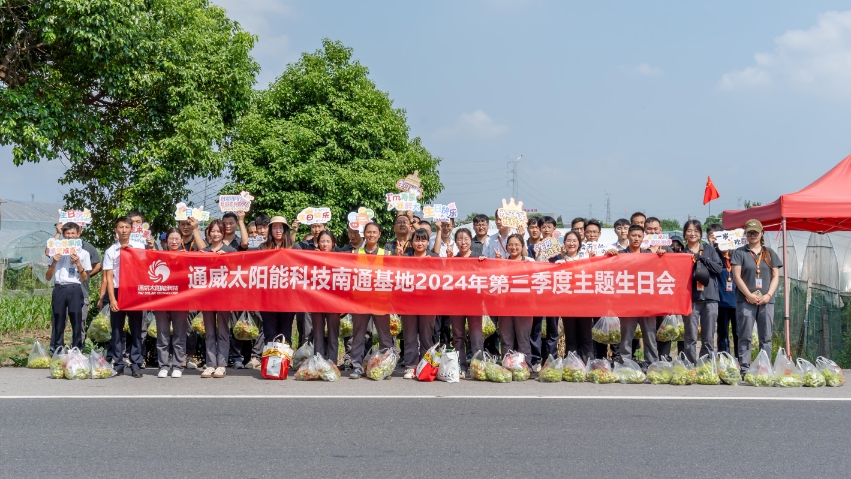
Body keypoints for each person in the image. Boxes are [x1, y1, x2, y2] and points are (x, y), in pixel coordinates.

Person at [732, 219, 782, 375]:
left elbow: (776, 276)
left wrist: (768, 295)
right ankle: (745, 368)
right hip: (745, 300)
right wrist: (749, 295)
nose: (752, 235)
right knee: (745, 335)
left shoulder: (769, 253)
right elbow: (737, 277)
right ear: (745, 234)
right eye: (749, 232)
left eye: (755, 232)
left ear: (762, 233)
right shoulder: (739, 252)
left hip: (767, 301)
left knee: (765, 336)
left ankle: (764, 367)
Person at [101, 216, 146, 377]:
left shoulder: (139, 247)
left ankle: (136, 363)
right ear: (116, 230)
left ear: (132, 229)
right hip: (118, 291)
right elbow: (108, 277)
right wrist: (112, 299)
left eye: (127, 227)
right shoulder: (111, 251)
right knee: (117, 331)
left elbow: (144, 269)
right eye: (121, 227)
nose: (124, 230)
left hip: (134, 290)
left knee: (136, 329)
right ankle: (118, 363)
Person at [349, 222, 395, 379]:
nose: (371, 235)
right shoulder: (355, 253)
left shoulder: (386, 254)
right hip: (360, 302)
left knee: (385, 336)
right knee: (358, 335)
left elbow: (396, 274)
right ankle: (356, 366)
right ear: (364, 233)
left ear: (379, 234)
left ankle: (386, 366)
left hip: (380, 302)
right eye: (368, 232)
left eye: (374, 232)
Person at [617, 225, 660, 368]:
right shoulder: (620, 254)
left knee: (650, 335)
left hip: (647, 302)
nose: (636, 238)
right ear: (628, 236)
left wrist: (662, 256)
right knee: (626, 337)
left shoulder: (650, 255)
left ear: (643, 238)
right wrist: (609, 255)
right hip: (627, 302)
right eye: (633, 235)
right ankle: (625, 366)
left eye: (639, 236)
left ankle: (652, 365)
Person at [200, 220, 238, 379]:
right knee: (209, 332)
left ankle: (221, 364)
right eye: (212, 231)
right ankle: (210, 364)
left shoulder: (230, 250)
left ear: (223, 233)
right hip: (207, 297)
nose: (215, 234)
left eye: (218, 231)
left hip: (224, 297)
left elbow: (238, 270)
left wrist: (227, 259)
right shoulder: (203, 251)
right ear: (208, 233)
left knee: (223, 331)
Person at [400, 228, 440, 379]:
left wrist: (449, 258)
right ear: (412, 242)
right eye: (417, 239)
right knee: (409, 335)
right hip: (408, 303)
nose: (420, 243)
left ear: (428, 242)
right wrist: (398, 257)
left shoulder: (434, 258)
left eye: (423, 240)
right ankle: (411, 366)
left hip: (428, 304)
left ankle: (425, 365)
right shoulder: (405, 257)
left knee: (426, 336)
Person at [46, 222, 92, 352]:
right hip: (59, 288)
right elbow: (48, 276)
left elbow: (84, 278)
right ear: (64, 235)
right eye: (67, 233)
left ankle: (77, 349)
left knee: (77, 320)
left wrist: (78, 263)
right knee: (58, 319)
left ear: (78, 234)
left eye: (73, 233)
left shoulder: (83, 254)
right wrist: (54, 262)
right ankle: (57, 349)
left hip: (75, 288)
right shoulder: (56, 252)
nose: (70, 236)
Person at [256, 216, 301, 350]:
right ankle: (270, 364)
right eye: (274, 227)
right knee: (269, 331)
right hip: (267, 297)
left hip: (288, 297)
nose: (278, 230)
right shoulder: (263, 247)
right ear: (270, 230)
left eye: (280, 227)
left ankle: (283, 364)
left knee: (285, 331)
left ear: (286, 229)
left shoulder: (294, 247)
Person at [681, 219, 723, 363]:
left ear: (700, 234)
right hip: (691, 299)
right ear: (685, 234)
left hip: (710, 297)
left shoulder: (709, 249)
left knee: (708, 336)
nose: (693, 233)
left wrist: (702, 259)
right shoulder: (682, 253)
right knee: (690, 336)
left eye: (696, 231)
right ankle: (690, 366)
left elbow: (718, 268)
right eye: (689, 231)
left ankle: (706, 365)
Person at [551, 231, 594, 362]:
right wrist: (555, 269)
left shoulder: (586, 261)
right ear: (564, 243)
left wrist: (592, 263)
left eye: (574, 241)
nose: (571, 243)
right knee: (571, 337)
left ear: (580, 244)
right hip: (567, 306)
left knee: (586, 337)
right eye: (568, 241)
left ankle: (588, 365)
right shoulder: (559, 262)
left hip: (584, 305)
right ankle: (572, 365)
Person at [153, 228, 189, 378]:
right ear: (166, 241)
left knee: (179, 334)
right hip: (161, 300)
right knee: (162, 334)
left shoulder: (188, 256)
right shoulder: (158, 256)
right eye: (171, 239)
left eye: (177, 239)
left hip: (181, 300)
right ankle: (163, 365)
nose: (174, 242)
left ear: (181, 240)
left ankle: (177, 366)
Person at [493, 233, 533, 361]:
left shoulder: (529, 262)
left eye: (517, 244)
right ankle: (507, 365)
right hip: (505, 306)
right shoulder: (502, 262)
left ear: (522, 246)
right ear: (506, 247)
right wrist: (498, 265)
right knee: (506, 340)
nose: (513, 247)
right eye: (510, 245)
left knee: (523, 340)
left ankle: (525, 367)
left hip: (524, 307)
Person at [447, 228, 478, 377]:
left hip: (474, 303)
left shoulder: (479, 259)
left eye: (466, 239)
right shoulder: (452, 259)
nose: (463, 242)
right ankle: (461, 367)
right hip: (456, 303)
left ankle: (478, 366)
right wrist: (448, 261)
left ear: (471, 240)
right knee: (458, 335)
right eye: (459, 239)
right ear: (455, 242)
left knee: (476, 335)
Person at [311, 230, 341, 364]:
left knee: (333, 332)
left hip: (334, 301)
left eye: (328, 241)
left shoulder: (340, 259)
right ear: (318, 243)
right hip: (316, 300)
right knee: (317, 332)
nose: (325, 244)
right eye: (322, 241)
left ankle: (332, 362)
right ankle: (318, 361)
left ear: (333, 243)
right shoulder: (310, 258)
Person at [707, 223, 738, 354]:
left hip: (737, 301)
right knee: (722, 332)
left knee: (738, 332)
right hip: (721, 301)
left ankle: (740, 360)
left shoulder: (737, 256)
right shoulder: (715, 256)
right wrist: (711, 244)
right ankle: (724, 359)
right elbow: (707, 261)